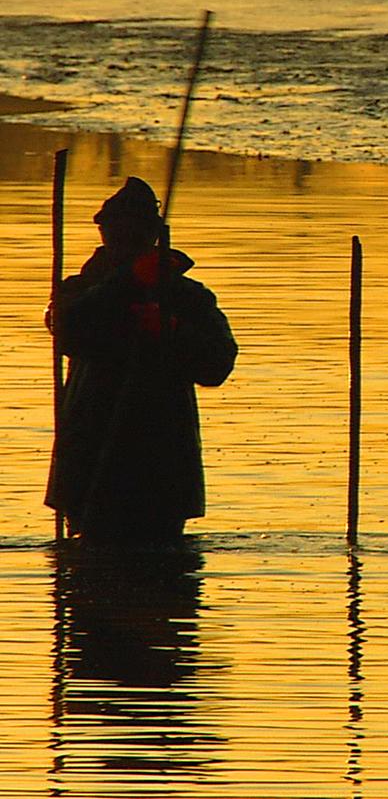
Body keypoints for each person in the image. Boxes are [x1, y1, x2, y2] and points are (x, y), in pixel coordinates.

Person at [46, 177, 238, 544]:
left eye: (135, 233)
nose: (124, 241)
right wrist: (128, 283)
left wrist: (171, 329)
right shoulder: (80, 291)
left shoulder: (186, 296)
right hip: (90, 462)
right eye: (115, 232)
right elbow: (67, 329)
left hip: (161, 469)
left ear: (153, 234)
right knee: (89, 573)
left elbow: (217, 364)